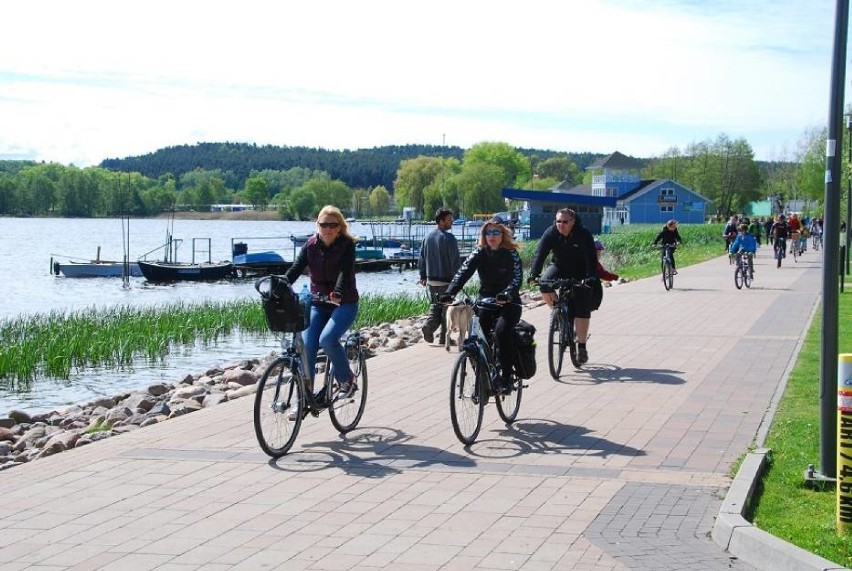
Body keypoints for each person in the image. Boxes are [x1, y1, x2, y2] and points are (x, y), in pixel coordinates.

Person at [284, 205, 359, 402]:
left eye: (332, 225)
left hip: (344, 303)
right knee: (307, 346)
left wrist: (339, 291)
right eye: (323, 224)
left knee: (327, 339)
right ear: (317, 225)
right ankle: (304, 399)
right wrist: (280, 285)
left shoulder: (347, 245)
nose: (327, 229)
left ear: (339, 227)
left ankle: (346, 380)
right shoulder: (310, 246)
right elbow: (295, 269)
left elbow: (345, 271)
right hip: (318, 302)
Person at [438, 219, 523, 393]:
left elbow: (517, 278)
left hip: (509, 302)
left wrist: (507, 293)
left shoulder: (511, 253)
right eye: (488, 233)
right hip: (486, 301)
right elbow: (463, 271)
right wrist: (450, 292)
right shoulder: (479, 252)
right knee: (473, 340)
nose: (491, 236)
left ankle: (506, 377)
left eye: (496, 232)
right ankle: (482, 378)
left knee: (501, 331)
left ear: (503, 234)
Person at [528, 208, 598, 365]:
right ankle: (558, 314)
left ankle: (581, 346)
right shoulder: (551, 232)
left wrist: (591, 277)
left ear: (573, 222)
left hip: (581, 270)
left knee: (581, 306)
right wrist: (534, 274)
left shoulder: (583, 233)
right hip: (559, 266)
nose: (561, 225)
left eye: (565, 222)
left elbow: (591, 258)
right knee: (545, 284)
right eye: (558, 221)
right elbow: (540, 254)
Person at [418, 207, 461, 345]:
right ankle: (444, 338)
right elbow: (455, 262)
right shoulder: (449, 239)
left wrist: (423, 275)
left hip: (431, 281)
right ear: (441, 221)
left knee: (435, 306)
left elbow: (421, 258)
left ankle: (429, 326)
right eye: (449, 220)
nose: (451, 222)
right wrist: (458, 279)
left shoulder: (427, 237)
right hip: (446, 281)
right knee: (446, 310)